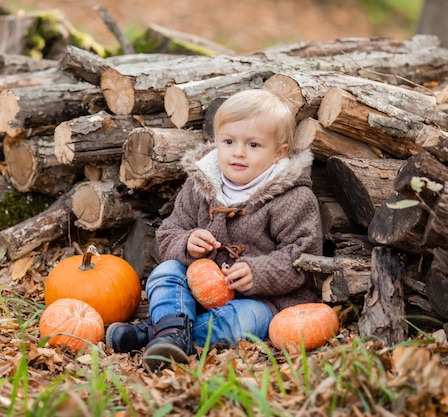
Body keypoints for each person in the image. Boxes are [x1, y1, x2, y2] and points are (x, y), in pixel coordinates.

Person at [106, 88, 323, 372]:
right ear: (216, 141)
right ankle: (172, 333)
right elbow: (170, 231)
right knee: (165, 272)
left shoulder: (293, 197)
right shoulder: (202, 184)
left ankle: (162, 335)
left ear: (278, 153)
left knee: (244, 320)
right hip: (199, 292)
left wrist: (258, 272)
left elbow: (303, 256)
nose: (238, 152)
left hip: (264, 299)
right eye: (229, 141)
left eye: (254, 145)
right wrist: (187, 242)